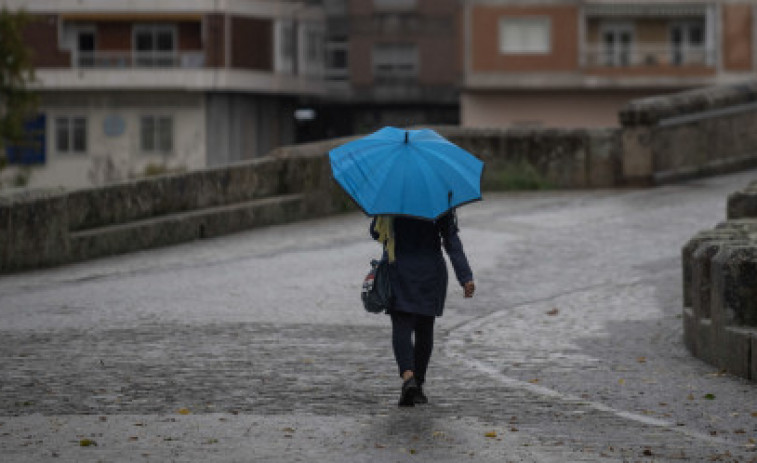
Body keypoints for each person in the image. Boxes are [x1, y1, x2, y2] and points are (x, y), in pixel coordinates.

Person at [370, 210, 475, 407]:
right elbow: (451, 238)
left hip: (399, 268)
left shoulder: (392, 198)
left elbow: (375, 233)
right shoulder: (438, 199)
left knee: (402, 326)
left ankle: (408, 376)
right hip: (431, 272)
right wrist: (465, 277)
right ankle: (417, 385)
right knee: (425, 329)